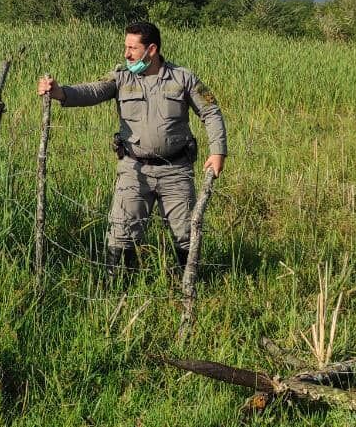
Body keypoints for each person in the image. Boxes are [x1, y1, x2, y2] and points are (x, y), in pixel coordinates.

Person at [37, 21, 226, 282]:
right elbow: (93, 90)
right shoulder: (121, 77)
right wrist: (60, 92)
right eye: (125, 47)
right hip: (134, 170)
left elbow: (210, 110)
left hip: (176, 169)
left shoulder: (183, 78)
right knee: (122, 232)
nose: (126, 54)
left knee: (185, 232)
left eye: (132, 48)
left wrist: (218, 152)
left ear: (151, 49)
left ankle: (189, 287)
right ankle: (118, 287)